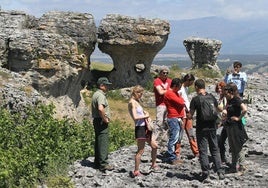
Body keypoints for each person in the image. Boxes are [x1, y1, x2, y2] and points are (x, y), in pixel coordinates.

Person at [188, 79, 224, 181]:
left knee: (203, 150)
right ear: (204, 86)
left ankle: (205, 172)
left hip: (201, 127)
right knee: (215, 148)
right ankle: (220, 171)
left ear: (196, 87)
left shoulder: (195, 99)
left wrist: (187, 114)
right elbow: (217, 110)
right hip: (212, 126)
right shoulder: (211, 97)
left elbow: (190, 115)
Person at [128, 85, 159, 177]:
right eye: (139, 93)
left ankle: (153, 164)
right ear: (135, 92)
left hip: (145, 127)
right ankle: (136, 171)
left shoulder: (136, 102)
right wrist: (146, 116)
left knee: (154, 146)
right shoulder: (132, 103)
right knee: (140, 150)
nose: (141, 95)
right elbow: (135, 117)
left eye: (141, 93)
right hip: (140, 128)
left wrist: (146, 115)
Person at [223, 83, 248, 174]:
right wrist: (225, 112)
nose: (225, 96)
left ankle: (242, 166)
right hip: (229, 125)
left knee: (238, 146)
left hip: (236, 126)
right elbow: (227, 108)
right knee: (232, 147)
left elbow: (244, 109)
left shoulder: (236, 99)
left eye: (226, 94)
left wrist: (239, 118)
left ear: (231, 92)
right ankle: (234, 166)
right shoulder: (229, 100)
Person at [91, 77, 114, 172]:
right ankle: (103, 164)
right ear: (101, 85)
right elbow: (101, 108)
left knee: (98, 141)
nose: (108, 86)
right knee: (103, 142)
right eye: (106, 85)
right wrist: (105, 119)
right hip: (101, 121)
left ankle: (97, 162)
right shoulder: (101, 95)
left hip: (96, 120)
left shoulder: (95, 94)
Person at [176, 74, 199, 158]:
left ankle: (196, 152)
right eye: (191, 82)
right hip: (182, 114)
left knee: (190, 133)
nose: (192, 84)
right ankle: (177, 152)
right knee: (180, 134)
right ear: (188, 81)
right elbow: (180, 101)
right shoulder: (180, 89)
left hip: (187, 114)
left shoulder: (186, 88)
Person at [163, 78, 185, 165]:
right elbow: (181, 102)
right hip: (173, 118)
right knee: (174, 138)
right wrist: (181, 100)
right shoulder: (170, 93)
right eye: (179, 87)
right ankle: (171, 157)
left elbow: (181, 101)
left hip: (176, 118)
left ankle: (174, 156)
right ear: (175, 86)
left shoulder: (175, 93)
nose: (180, 89)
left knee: (177, 137)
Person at [153, 67, 172, 151]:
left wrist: (167, 90)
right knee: (159, 122)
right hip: (161, 104)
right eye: (163, 73)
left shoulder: (170, 81)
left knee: (166, 123)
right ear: (160, 73)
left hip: (169, 104)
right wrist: (170, 90)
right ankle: (154, 140)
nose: (165, 74)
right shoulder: (157, 81)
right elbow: (160, 92)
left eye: (166, 73)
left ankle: (164, 142)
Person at [215, 81, 228, 164]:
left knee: (220, 139)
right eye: (218, 88)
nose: (219, 90)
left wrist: (222, 122)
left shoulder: (225, 99)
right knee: (219, 140)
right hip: (218, 121)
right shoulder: (220, 98)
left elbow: (225, 111)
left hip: (223, 122)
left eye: (221, 88)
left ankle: (222, 158)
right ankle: (221, 157)